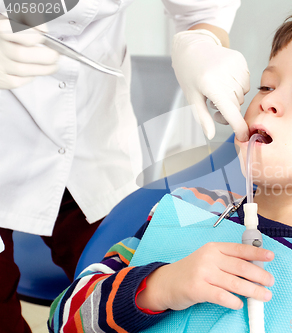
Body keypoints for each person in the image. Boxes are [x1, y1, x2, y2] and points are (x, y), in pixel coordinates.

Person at [48, 9, 292, 332]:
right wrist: (159, 286)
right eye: (266, 85)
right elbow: (63, 318)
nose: (268, 100)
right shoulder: (186, 210)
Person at [0, 1, 250, 332]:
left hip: (91, 139)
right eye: (268, 85)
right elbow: (71, 317)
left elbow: (201, 13)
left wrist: (202, 40)